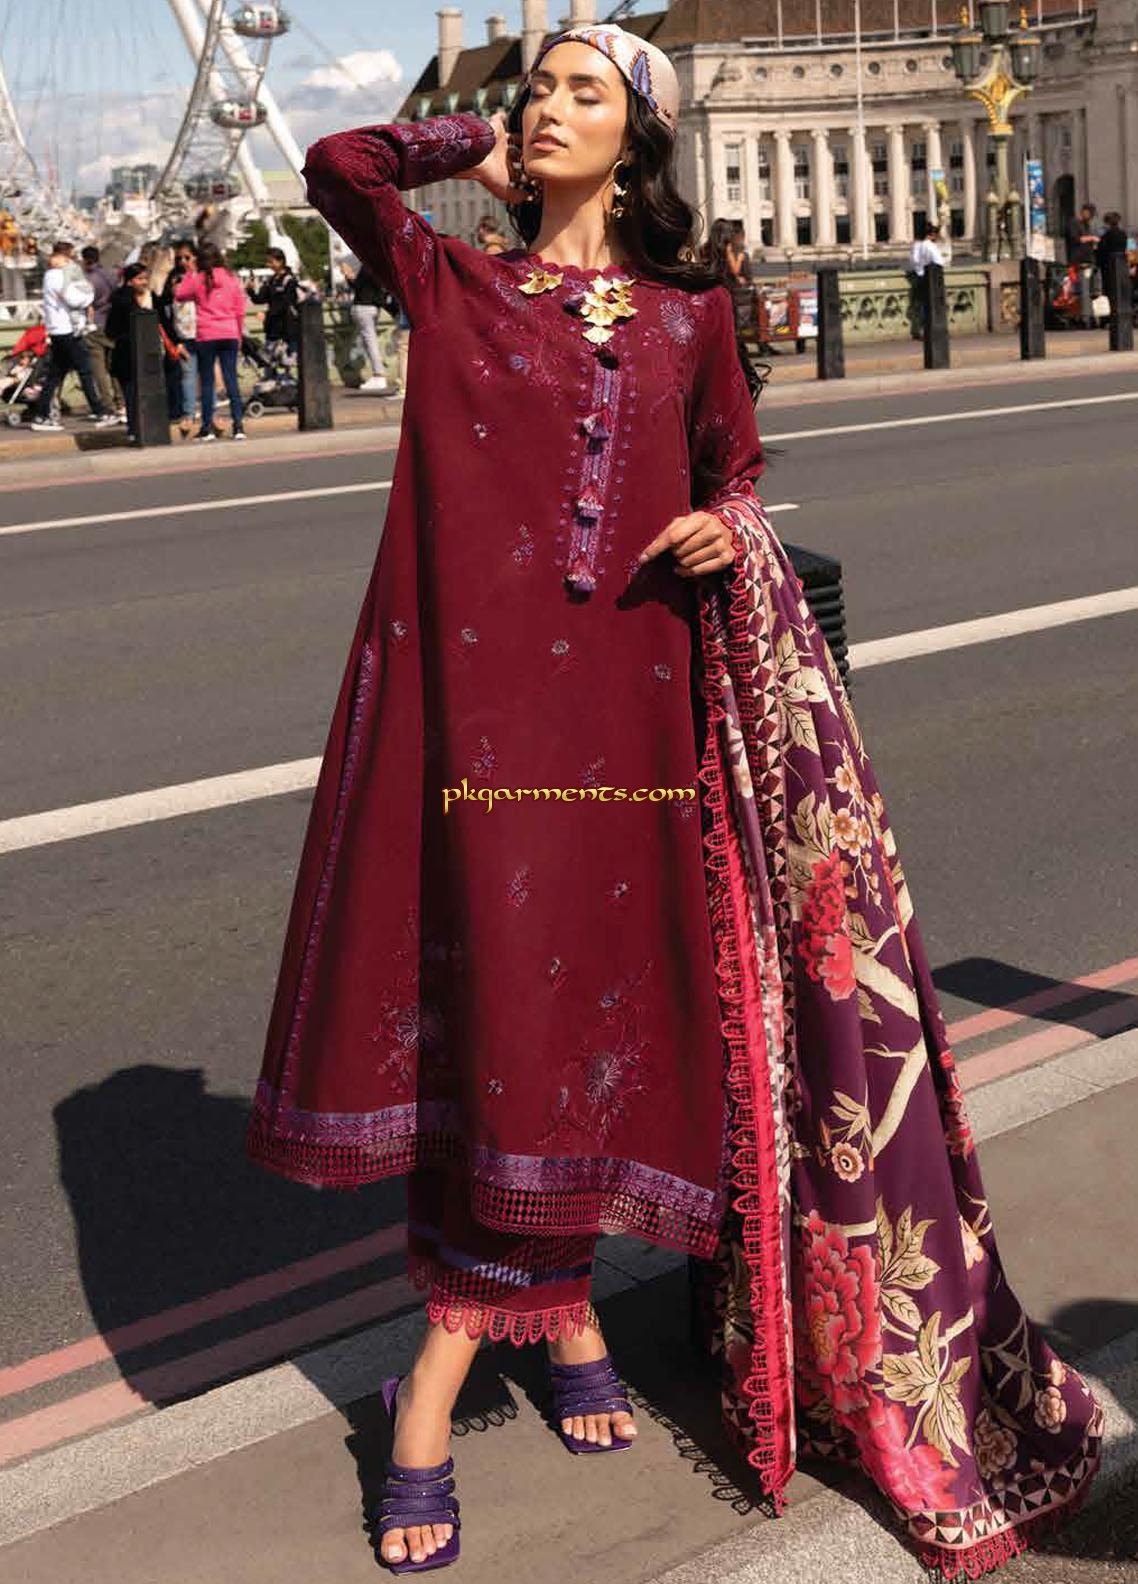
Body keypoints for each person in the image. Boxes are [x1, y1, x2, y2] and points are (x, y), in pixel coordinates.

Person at [246, 21, 1101, 1578]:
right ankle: (433, 1387)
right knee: (494, 1023)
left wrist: (722, 525)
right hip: (472, 724)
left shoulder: (689, 314)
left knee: (586, 1013)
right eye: (533, 90)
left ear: (635, 138)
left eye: (581, 92)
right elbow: (336, 165)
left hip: (634, 711)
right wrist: (464, 147)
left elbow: (737, 469)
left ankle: (565, 1310)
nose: (543, 108)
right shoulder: (453, 285)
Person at [30, 241, 117, 433]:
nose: (72, 262)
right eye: (70, 257)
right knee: (85, 369)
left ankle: (41, 414)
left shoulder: (52, 275)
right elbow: (73, 298)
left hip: (61, 329)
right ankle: (100, 410)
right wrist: (88, 296)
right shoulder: (57, 276)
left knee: (55, 374)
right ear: (62, 257)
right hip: (66, 330)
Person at [174, 240, 248, 441]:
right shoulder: (231, 278)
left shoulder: (198, 279)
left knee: (207, 382)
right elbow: (240, 309)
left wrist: (189, 273)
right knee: (231, 380)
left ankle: (206, 427)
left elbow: (179, 294)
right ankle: (238, 425)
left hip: (207, 334)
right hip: (229, 331)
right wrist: (239, 334)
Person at [105, 261, 183, 441]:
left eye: (145, 278)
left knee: (156, 389)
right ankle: (134, 430)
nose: (144, 282)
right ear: (130, 281)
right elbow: (111, 330)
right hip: (128, 354)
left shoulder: (152, 297)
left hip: (151, 352)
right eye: (139, 279)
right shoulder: (121, 299)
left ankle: (156, 424)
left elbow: (164, 321)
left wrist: (176, 342)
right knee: (131, 393)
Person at [161, 239, 200, 437]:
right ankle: (188, 413)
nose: (183, 261)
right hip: (184, 334)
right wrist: (175, 340)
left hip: (205, 331)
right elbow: (166, 309)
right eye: (179, 258)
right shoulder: (174, 278)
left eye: (187, 257)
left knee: (206, 375)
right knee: (188, 375)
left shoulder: (204, 276)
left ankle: (210, 412)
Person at [80, 245, 120, 417]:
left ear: (84, 260)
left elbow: (85, 304)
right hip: (111, 323)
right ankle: (121, 400)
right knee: (114, 366)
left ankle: (107, 404)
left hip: (95, 324)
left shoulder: (88, 280)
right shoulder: (110, 275)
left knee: (99, 368)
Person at [247, 245, 300, 360]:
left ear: (280, 261)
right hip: (272, 329)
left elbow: (286, 303)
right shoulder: (270, 280)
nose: (268, 265)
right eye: (268, 262)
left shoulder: (289, 280)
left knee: (288, 360)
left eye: (271, 262)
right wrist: (250, 290)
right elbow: (260, 299)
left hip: (287, 328)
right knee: (269, 361)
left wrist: (267, 314)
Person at [349, 263, 390, 391]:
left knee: (370, 342)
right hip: (374, 307)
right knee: (371, 341)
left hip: (364, 306)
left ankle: (378, 375)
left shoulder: (367, 267)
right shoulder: (380, 267)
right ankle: (378, 374)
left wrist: (349, 277)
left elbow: (358, 287)